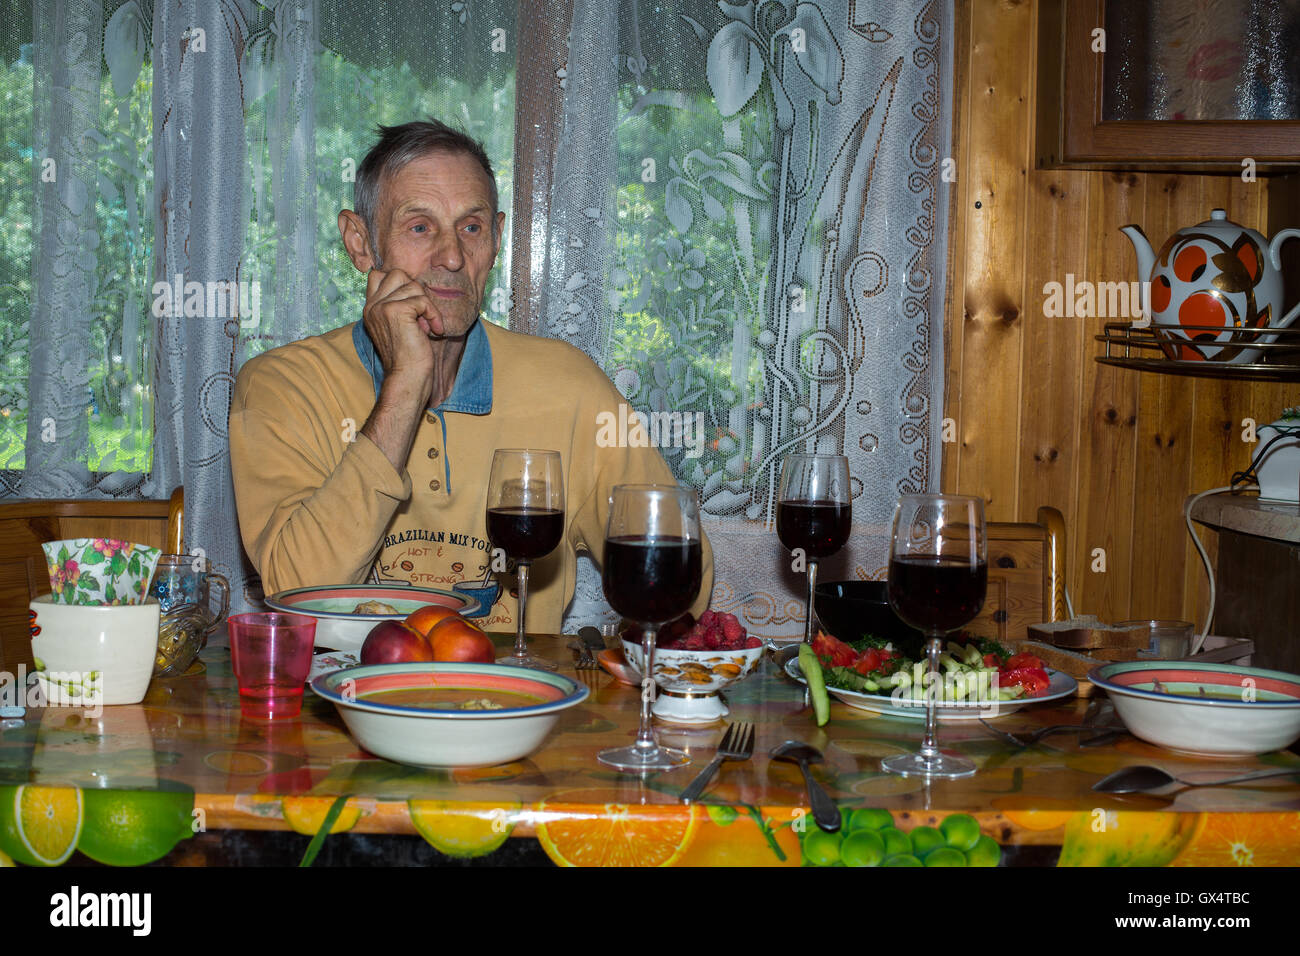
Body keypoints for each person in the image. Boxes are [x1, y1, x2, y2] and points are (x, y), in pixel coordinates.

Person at [229, 119, 713, 633]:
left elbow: (685, 573)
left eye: (472, 227)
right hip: (344, 704)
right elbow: (296, 589)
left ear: (498, 238)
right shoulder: (280, 388)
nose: (454, 256)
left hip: (518, 702)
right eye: (420, 227)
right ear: (360, 243)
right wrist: (405, 385)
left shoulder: (570, 385)